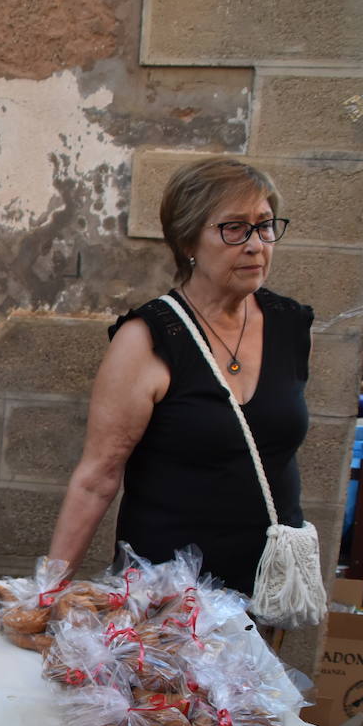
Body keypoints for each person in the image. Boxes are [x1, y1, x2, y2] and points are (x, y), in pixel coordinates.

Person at [47, 157, 313, 596]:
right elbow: (98, 478)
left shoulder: (289, 325)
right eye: (233, 229)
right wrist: (48, 592)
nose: (255, 245)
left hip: (265, 588)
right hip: (167, 598)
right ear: (187, 239)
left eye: (265, 226)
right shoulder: (146, 340)